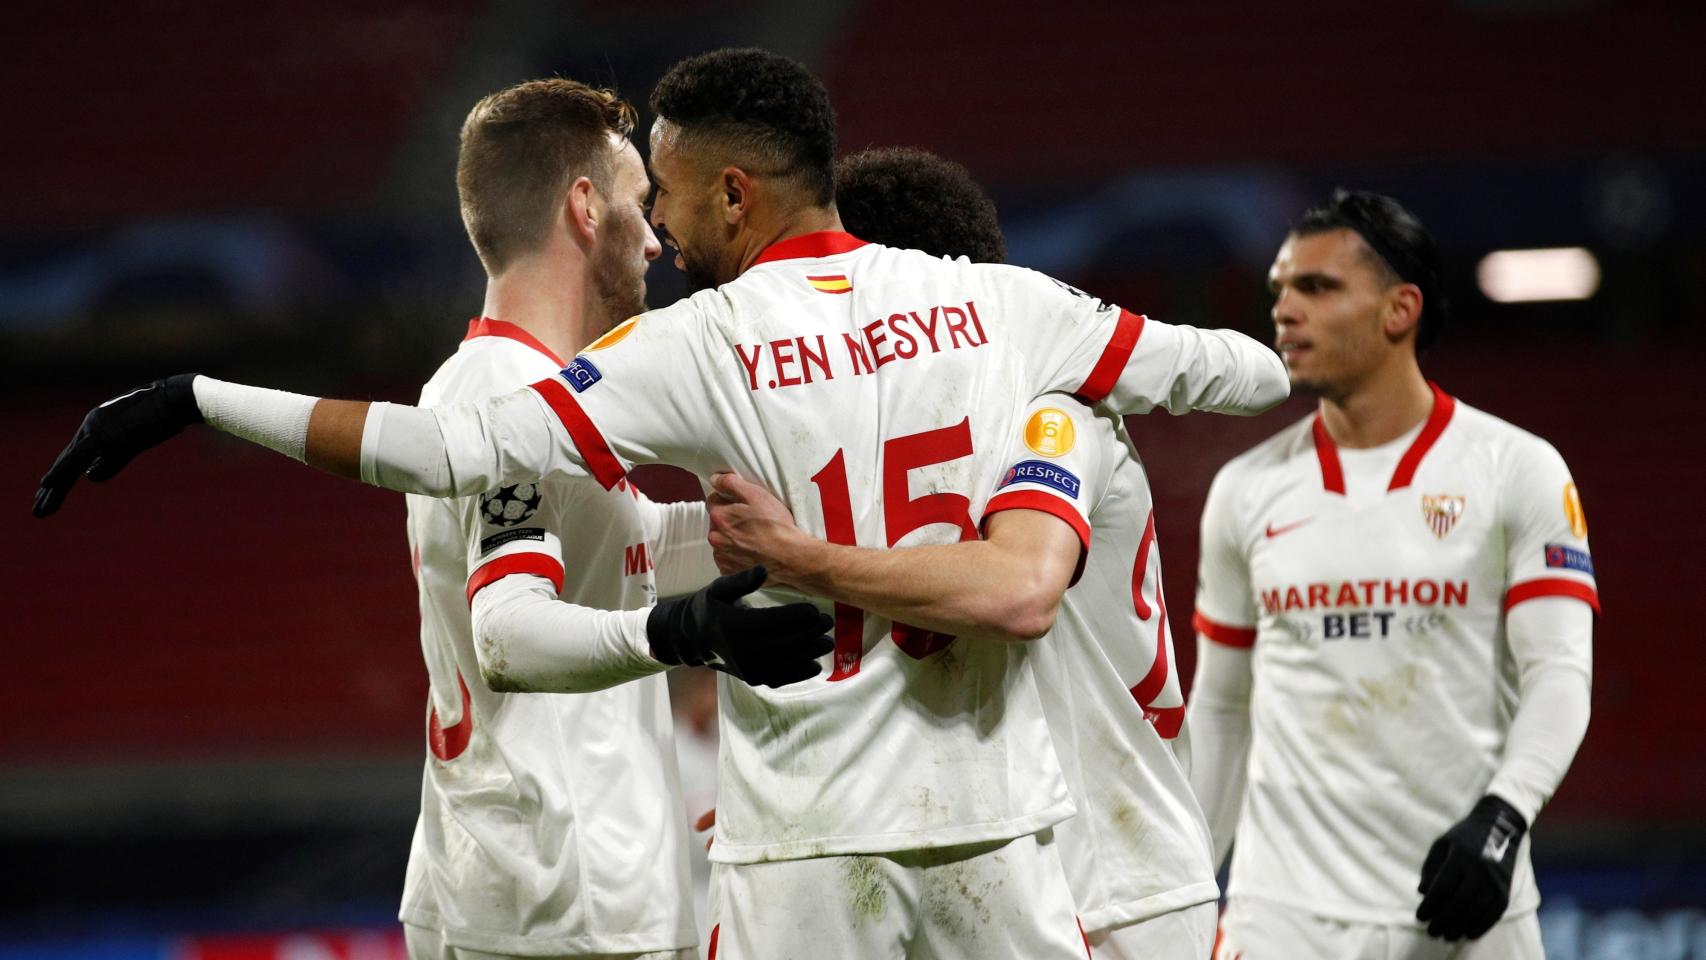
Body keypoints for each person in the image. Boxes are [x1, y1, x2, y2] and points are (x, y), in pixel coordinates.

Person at [36, 48, 1288, 958]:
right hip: (996, 832)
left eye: (675, 197)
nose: (667, 234)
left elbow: (453, 451)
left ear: (733, 192)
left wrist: (203, 398)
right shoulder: (1009, 313)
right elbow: (1231, 369)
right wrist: (1173, 381)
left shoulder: (704, 343)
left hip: (794, 849)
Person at [698, 144, 1220, 959]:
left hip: (1105, 878)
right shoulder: (953, 441)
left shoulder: (1053, 418)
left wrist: (800, 557)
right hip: (1028, 853)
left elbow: (1017, 591)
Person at [1186, 190, 1597, 959]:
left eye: (1317, 287)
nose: (1284, 310)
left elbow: (1560, 673)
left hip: (1468, 905)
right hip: (1283, 918)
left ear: (1399, 310)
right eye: (1279, 289)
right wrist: (1179, 896)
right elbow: (1220, 712)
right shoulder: (1244, 490)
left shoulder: (1519, 469)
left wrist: (1505, 819)